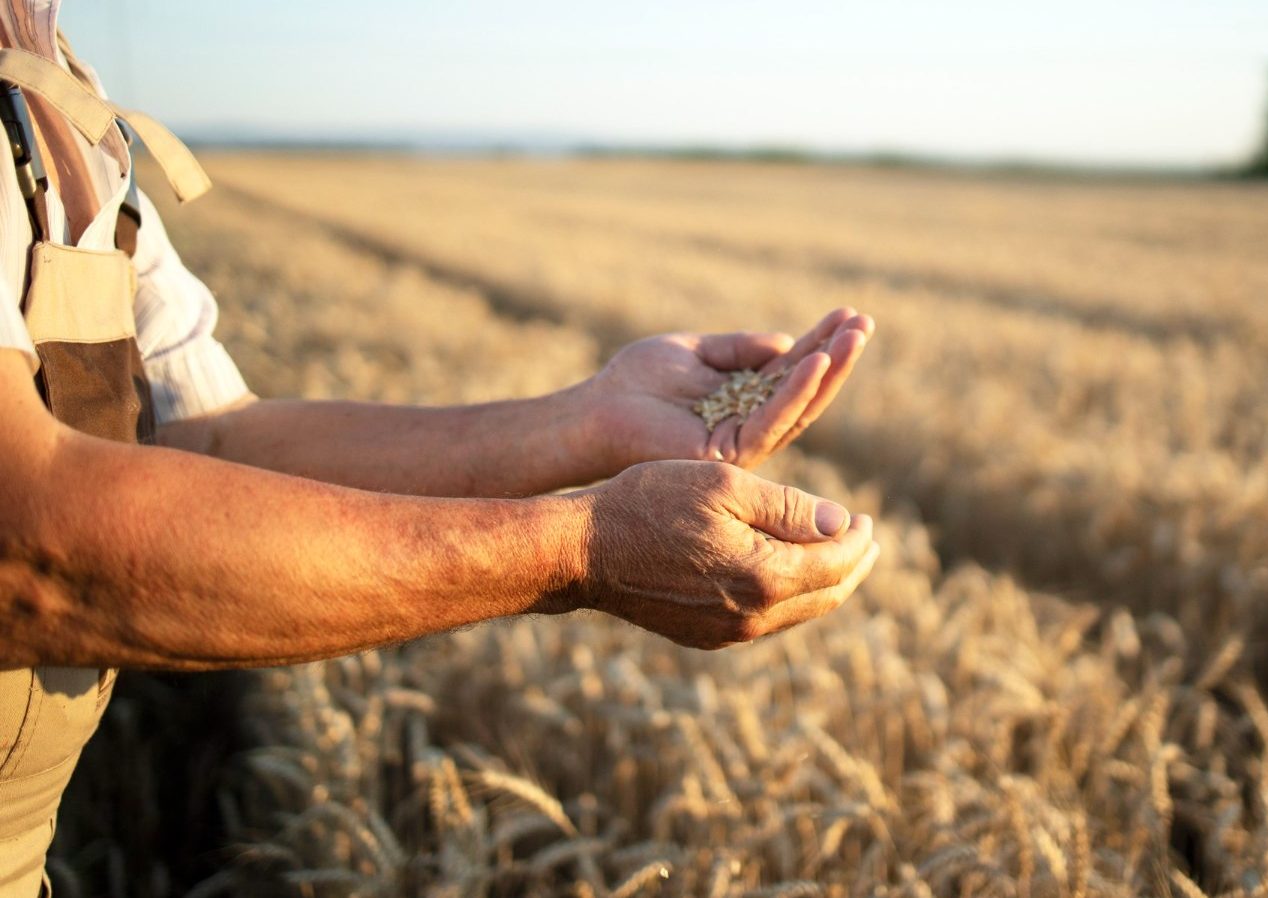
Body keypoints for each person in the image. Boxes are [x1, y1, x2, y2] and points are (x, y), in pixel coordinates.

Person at [0, 5, 878, 895]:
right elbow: (25, 540)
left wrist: (591, 419)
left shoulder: (54, 79)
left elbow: (206, 437)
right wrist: (581, 549)